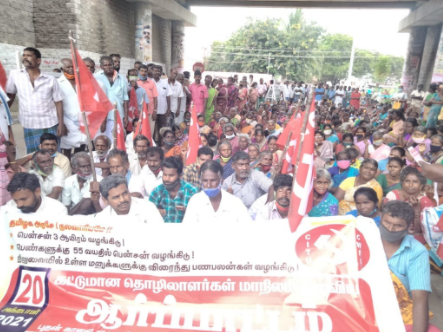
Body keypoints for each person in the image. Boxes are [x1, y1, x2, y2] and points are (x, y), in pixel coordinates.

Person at [380, 201, 435, 332]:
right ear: (381, 217)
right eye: (387, 222)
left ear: (408, 226)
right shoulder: (365, 238)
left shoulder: (417, 252)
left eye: (398, 225)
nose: (390, 229)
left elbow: (420, 299)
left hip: (399, 310)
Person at [6, 47, 67, 154]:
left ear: (38, 60)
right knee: (33, 156)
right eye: (24, 55)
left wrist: (61, 124)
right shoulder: (15, 75)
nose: (25, 57)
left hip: (50, 123)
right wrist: (3, 114)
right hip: (29, 123)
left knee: (53, 155)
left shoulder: (50, 79)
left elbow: (58, 102)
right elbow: (10, 95)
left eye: (29, 55)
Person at [183, 160, 251, 223]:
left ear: (221, 180)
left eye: (213, 180)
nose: (208, 185)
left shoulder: (235, 203)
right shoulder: (195, 201)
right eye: (205, 180)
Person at [384, 166, 436, 237]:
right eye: (407, 181)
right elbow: (387, 221)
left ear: (421, 185)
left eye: (415, 181)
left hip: (417, 237)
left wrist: (416, 210)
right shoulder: (392, 196)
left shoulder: (426, 201)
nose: (410, 185)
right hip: (393, 234)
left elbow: (420, 231)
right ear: (402, 183)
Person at [149, 156, 198, 223]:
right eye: (165, 175)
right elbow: (147, 216)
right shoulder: (157, 192)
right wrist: (155, 212)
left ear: (180, 176)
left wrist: (188, 211)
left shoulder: (192, 192)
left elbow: (200, 217)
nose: (166, 179)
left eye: (171, 175)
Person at [96, 174, 163, 222]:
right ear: (105, 200)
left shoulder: (148, 207)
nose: (122, 200)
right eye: (116, 197)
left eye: (125, 193)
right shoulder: (102, 219)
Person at [57, 58, 87, 159]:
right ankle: (68, 169)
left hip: (83, 119)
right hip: (67, 120)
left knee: (82, 143)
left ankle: (78, 165)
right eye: (68, 67)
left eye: (72, 67)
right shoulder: (58, 83)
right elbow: (56, 104)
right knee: (67, 147)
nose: (71, 69)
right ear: (62, 68)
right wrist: (61, 124)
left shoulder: (82, 81)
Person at [94, 56, 128, 141]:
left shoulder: (122, 79)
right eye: (105, 65)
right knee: (102, 141)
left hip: (118, 115)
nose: (108, 67)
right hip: (101, 117)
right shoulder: (96, 77)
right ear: (101, 67)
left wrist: (126, 117)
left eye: (110, 65)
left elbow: (125, 99)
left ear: (113, 65)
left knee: (116, 141)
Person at [152, 65, 173, 145]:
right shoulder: (150, 82)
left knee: (162, 129)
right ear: (152, 71)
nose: (157, 72)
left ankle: (162, 145)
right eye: (155, 70)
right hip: (152, 111)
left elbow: (168, 96)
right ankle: (153, 144)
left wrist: (168, 108)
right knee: (153, 130)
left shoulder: (165, 83)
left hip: (163, 110)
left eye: (158, 71)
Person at [137, 64, 158, 133]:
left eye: (145, 71)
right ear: (138, 71)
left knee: (149, 132)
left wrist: (154, 111)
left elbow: (155, 98)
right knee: (139, 131)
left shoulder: (151, 83)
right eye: (142, 71)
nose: (143, 73)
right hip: (138, 111)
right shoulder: (135, 82)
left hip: (150, 112)